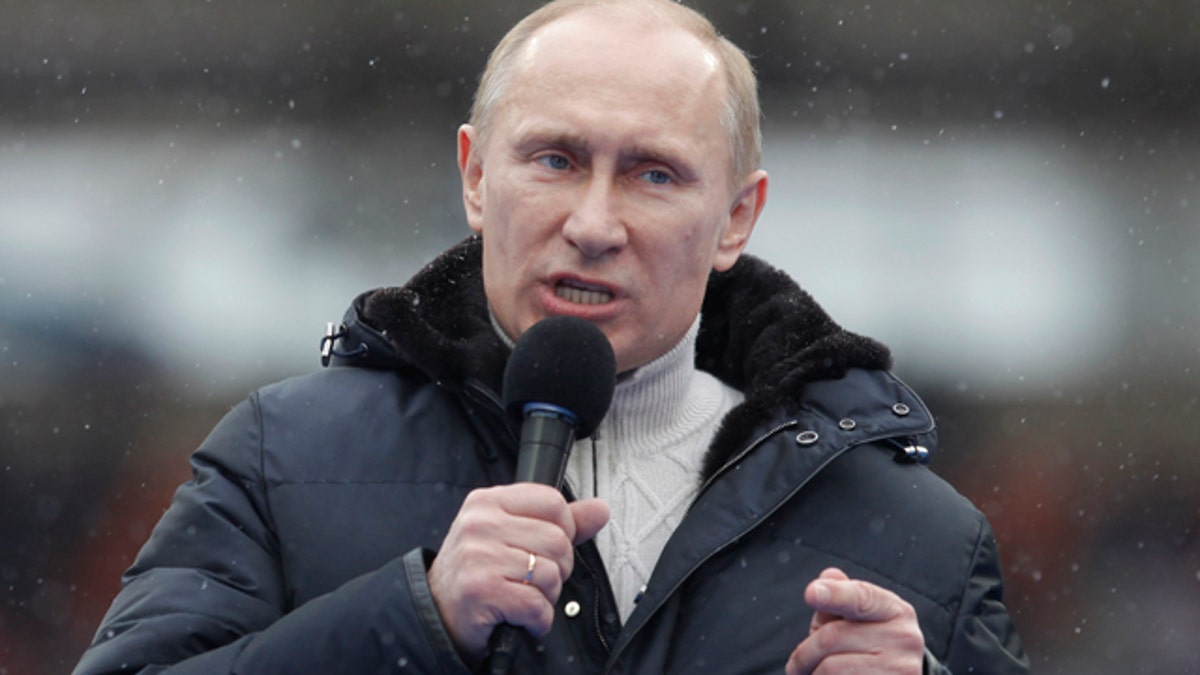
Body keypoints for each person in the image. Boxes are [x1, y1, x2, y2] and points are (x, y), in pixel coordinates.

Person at [75, 1, 1029, 673]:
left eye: (654, 174)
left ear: (738, 217)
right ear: (476, 176)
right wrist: (417, 619)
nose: (594, 222)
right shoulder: (283, 457)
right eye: (556, 159)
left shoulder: (916, 534)